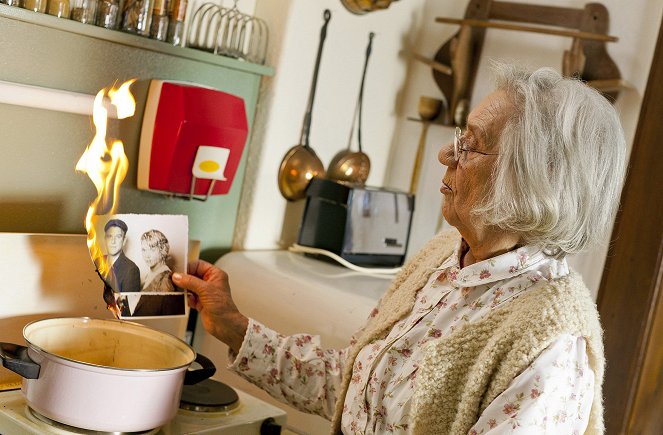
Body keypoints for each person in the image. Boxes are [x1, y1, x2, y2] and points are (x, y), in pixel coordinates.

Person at [172, 63, 626, 434]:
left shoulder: (551, 346)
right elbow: (355, 388)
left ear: (533, 181)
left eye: (470, 146)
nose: (445, 157)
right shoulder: (443, 259)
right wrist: (233, 326)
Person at [132, 229, 182, 317]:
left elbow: (168, 319)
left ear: (162, 250)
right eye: (144, 250)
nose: (147, 255)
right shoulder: (149, 275)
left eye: (152, 250)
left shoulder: (166, 281)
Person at [99, 219, 141, 293]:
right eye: (109, 236)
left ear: (124, 241)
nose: (113, 241)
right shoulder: (98, 260)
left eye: (118, 237)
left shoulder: (131, 270)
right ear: (105, 239)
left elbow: (128, 303)